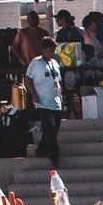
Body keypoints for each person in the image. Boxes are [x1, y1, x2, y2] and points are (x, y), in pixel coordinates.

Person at [26, 37, 64, 166]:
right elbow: (28, 79)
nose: (52, 53)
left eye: (54, 50)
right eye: (50, 50)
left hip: (56, 100)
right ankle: (54, 155)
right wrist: (34, 95)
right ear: (43, 50)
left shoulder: (55, 63)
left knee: (54, 129)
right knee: (49, 128)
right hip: (43, 101)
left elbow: (58, 81)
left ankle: (41, 148)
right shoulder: (36, 63)